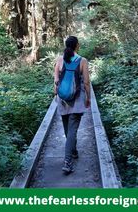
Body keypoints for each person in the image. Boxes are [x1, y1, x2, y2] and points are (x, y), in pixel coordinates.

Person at [54, 36, 91, 174]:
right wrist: (89, 98)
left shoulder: (59, 59)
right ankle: (68, 162)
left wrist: (56, 94)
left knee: (67, 130)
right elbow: (86, 82)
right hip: (77, 99)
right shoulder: (82, 61)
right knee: (72, 130)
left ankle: (73, 151)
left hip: (63, 99)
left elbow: (56, 80)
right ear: (77, 45)